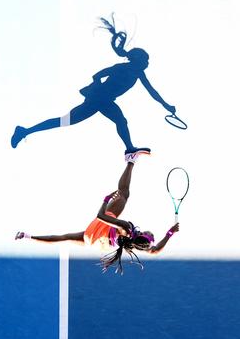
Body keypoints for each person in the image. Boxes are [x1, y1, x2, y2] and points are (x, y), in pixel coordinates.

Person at [11, 14, 176, 154]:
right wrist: (97, 90)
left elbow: (152, 92)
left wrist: (166, 106)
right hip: (99, 99)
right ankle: (25, 130)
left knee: (113, 121)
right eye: (145, 60)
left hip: (104, 100)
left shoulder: (137, 73)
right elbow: (97, 75)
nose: (147, 63)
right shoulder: (122, 68)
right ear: (138, 60)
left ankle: (129, 148)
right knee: (67, 121)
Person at [15, 151, 180, 274]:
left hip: (101, 227)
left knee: (123, 193)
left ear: (143, 234)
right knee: (63, 238)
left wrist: (106, 199)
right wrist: (170, 233)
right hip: (93, 241)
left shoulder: (126, 229)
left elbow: (100, 216)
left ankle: (131, 159)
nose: (151, 233)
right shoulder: (136, 246)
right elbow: (156, 250)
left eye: (150, 234)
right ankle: (28, 236)